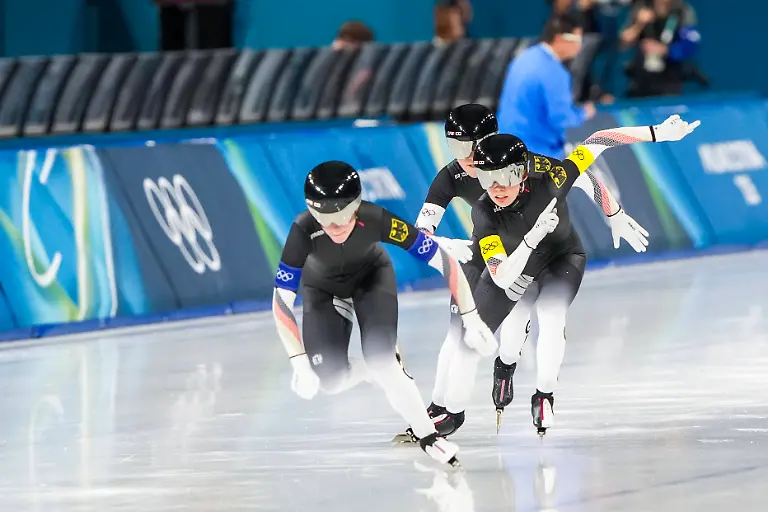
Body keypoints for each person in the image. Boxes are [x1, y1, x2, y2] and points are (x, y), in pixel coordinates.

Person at [395, 103, 650, 440]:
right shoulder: (451, 176)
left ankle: (516, 375)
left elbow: (582, 176)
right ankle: (440, 408)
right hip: (486, 251)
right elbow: (422, 228)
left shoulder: (523, 163)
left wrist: (613, 213)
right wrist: (442, 243)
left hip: (537, 252)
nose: (466, 157)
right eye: (456, 147)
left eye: (472, 147)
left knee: (522, 327)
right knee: (457, 335)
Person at [464, 114, 699, 436]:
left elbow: (598, 143)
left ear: (523, 172)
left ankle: (544, 395)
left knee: (551, 317)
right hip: (518, 263)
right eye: (485, 178)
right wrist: (532, 239)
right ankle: (505, 365)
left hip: (562, 256)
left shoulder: (551, 177)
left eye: (505, 176)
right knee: (514, 330)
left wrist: (657, 133)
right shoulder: (484, 213)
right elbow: (502, 277)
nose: (496, 188)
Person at [271, 161, 498, 466]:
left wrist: (471, 319)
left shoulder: (375, 218)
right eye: (323, 217)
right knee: (330, 380)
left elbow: (444, 263)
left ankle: (429, 437)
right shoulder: (302, 230)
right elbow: (281, 301)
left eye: (341, 215)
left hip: (370, 279)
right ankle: (373, 369)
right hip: (323, 290)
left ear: (356, 206)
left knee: (384, 364)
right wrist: (299, 363)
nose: (334, 225)